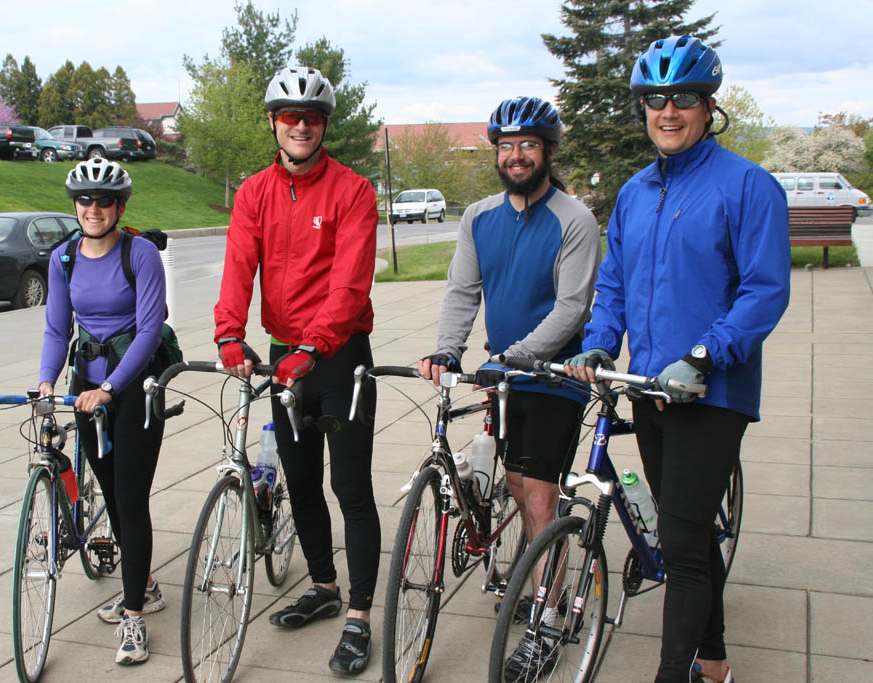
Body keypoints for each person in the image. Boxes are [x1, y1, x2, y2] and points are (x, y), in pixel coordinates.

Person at [566, 36, 790, 683]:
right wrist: (602, 339)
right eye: (655, 100)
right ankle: (714, 661)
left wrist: (704, 354)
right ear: (643, 108)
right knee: (685, 530)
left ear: (707, 105)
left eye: (683, 98)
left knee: (686, 542)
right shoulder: (635, 193)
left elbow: (764, 289)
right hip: (648, 386)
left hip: (711, 393)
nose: (668, 111)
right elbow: (614, 283)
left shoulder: (747, 186)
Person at [418, 96, 600, 675]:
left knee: (541, 495)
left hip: (553, 376)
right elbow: (463, 292)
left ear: (547, 152)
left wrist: (516, 356)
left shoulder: (574, 218)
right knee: (519, 486)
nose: (516, 156)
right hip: (507, 378)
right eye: (506, 147)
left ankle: (548, 621)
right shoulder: (478, 216)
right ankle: (540, 573)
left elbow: (572, 308)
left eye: (527, 146)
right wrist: (449, 348)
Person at [213, 65, 380, 676]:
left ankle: (361, 618)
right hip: (288, 355)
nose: (301, 125)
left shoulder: (353, 190)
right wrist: (230, 330)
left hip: (338, 358)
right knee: (302, 482)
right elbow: (238, 264)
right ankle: (325, 587)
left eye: (311, 117)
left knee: (351, 488)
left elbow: (350, 281)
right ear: (274, 124)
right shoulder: (255, 191)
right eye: (289, 116)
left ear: (324, 124)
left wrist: (314, 345)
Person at [39, 158, 167, 666]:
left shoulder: (141, 255)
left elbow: (149, 330)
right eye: (85, 200)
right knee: (112, 495)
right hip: (85, 390)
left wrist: (112, 387)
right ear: (75, 205)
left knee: (131, 499)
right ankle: (147, 584)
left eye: (105, 201)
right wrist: (48, 383)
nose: (94, 209)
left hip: (135, 389)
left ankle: (134, 617)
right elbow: (56, 328)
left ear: (120, 206)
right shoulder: (64, 257)